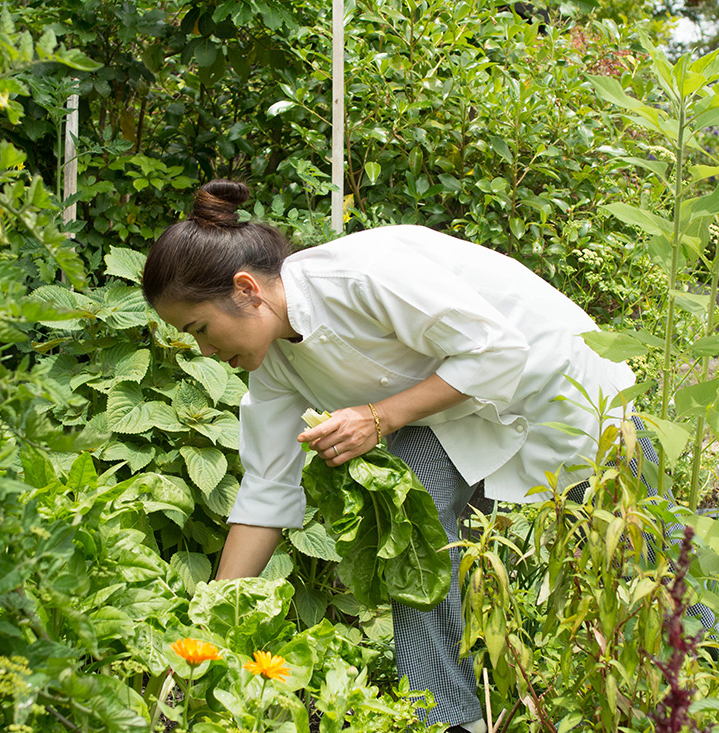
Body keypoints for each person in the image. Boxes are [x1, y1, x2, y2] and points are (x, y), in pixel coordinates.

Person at [141, 180, 635, 733]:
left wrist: (379, 417)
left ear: (246, 289)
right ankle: (448, 719)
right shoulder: (272, 364)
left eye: (200, 330)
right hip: (455, 413)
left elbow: (496, 351)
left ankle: (696, 675)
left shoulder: (359, 274)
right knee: (408, 530)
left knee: (633, 554)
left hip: (564, 385)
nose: (205, 352)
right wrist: (204, 638)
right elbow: (267, 492)